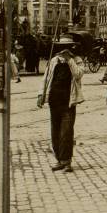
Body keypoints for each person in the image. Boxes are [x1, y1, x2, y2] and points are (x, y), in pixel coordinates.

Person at [37, 33, 84, 173]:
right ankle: (59, 159)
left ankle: (67, 161)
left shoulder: (77, 60)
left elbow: (78, 75)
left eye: (67, 47)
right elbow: (46, 79)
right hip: (54, 99)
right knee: (55, 132)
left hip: (68, 101)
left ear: (71, 48)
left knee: (67, 132)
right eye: (62, 47)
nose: (64, 50)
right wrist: (41, 94)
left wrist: (70, 60)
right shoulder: (54, 60)